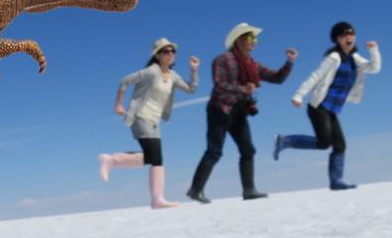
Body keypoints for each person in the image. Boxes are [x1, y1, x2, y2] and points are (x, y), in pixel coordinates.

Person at [185, 22, 297, 204]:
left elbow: (277, 78)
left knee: (248, 150)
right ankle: (195, 190)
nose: (254, 41)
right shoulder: (222, 59)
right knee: (214, 151)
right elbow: (219, 84)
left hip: (239, 111)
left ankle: (249, 190)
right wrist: (243, 89)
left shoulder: (252, 64)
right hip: (220, 109)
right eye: (250, 37)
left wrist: (289, 62)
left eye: (255, 38)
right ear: (238, 40)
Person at [273, 21, 381, 190]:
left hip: (332, 109)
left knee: (339, 145)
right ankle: (285, 141)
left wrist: (374, 50)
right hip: (319, 106)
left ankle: (336, 181)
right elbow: (315, 76)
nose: (349, 36)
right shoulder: (333, 58)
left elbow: (374, 68)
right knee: (325, 142)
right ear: (337, 39)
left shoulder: (355, 59)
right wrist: (299, 95)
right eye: (344, 34)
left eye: (352, 33)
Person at [98, 38, 200, 209]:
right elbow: (125, 80)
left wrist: (194, 70)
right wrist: (118, 104)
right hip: (140, 116)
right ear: (157, 55)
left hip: (154, 120)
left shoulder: (173, 76)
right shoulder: (151, 72)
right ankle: (114, 162)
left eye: (173, 51)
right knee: (155, 157)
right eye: (166, 51)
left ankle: (114, 162)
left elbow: (191, 89)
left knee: (154, 158)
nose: (171, 54)